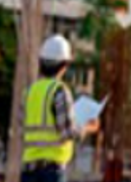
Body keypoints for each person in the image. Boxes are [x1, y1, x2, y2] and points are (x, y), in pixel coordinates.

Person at [22, 35, 99, 182]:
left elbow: (22, 128)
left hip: (29, 171)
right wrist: (88, 127)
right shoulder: (59, 91)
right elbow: (67, 132)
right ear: (64, 65)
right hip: (51, 172)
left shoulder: (30, 92)